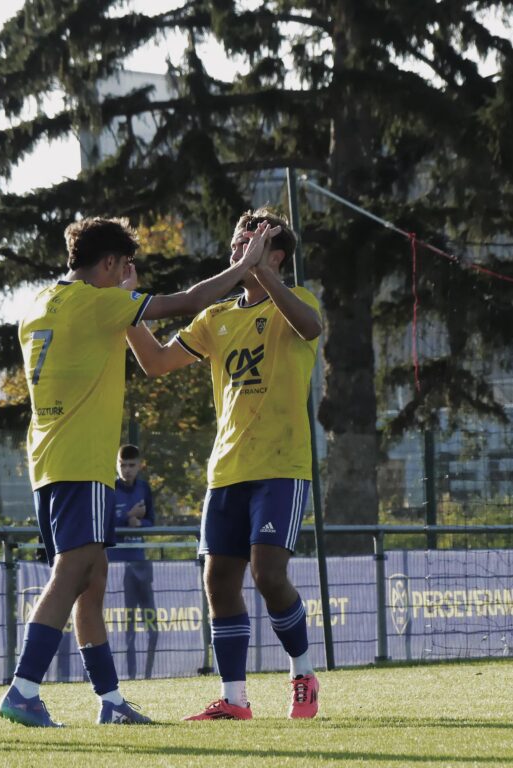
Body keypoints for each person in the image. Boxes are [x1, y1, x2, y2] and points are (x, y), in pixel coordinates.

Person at [0, 215, 278, 727]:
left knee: (92, 580)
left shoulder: (39, 303)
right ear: (108, 262)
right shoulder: (96, 302)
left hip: (47, 458)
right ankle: (23, 689)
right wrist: (245, 265)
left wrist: (125, 296)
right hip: (82, 461)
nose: (127, 274)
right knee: (73, 572)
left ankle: (110, 702)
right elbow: (190, 300)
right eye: (124, 265)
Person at [126, 206, 323, 720]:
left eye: (251, 241)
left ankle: (303, 674)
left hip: (281, 467)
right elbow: (156, 362)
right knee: (218, 581)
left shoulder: (297, 302)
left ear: (276, 255)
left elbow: (310, 326)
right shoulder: (216, 317)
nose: (239, 247)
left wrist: (260, 272)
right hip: (227, 470)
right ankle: (234, 699)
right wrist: (124, 310)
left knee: (268, 574)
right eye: (238, 240)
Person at [107, 444, 158, 679]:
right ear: (116, 465)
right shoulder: (109, 489)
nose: (126, 470)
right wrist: (128, 518)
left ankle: (149, 675)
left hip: (140, 564)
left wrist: (140, 524)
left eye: (131, 465)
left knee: (151, 625)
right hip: (117, 567)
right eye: (122, 465)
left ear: (139, 466)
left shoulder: (144, 488)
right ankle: (127, 675)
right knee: (126, 626)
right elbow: (105, 524)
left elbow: (151, 521)